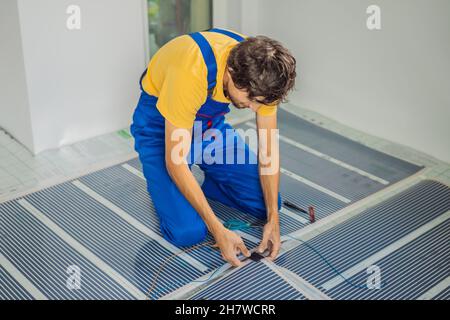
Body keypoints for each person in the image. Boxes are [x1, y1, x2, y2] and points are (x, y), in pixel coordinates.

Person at [130, 28, 296, 266]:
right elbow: (175, 162)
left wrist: (273, 218)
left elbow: (268, 149)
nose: (253, 108)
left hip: (209, 128)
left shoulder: (265, 76)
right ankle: (169, 191)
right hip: (160, 129)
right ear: (230, 72)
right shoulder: (191, 69)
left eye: (260, 103)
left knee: (269, 203)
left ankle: (208, 187)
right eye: (250, 100)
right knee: (188, 232)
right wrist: (217, 228)